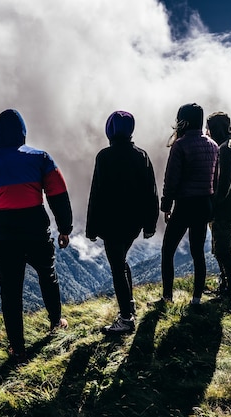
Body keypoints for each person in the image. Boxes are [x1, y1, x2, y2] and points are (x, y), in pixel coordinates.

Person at [0, 109, 73, 363]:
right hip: (36, 230)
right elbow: (58, 194)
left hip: (3, 236)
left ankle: (18, 348)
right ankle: (55, 322)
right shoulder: (41, 158)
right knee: (48, 276)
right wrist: (64, 228)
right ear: (23, 132)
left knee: (10, 291)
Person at [86, 111, 159, 334]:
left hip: (111, 224)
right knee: (121, 260)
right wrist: (150, 225)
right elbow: (151, 192)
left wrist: (92, 228)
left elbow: (96, 194)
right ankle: (130, 305)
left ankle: (126, 319)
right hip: (133, 224)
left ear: (110, 130)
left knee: (117, 267)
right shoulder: (142, 155)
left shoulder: (104, 157)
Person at [160, 103, 219, 305]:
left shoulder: (180, 145)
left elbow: (171, 180)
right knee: (198, 253)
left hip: (185, 205)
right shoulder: (213, 145)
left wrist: (166, 206)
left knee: (168, 250)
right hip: (204, 204)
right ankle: (196, 299)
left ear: (183, 121)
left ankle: (167, 297)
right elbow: (215, 181)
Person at [207, 111, 231, 303]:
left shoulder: (225, 149)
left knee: (223, 250)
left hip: (223, 209)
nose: (207, 132)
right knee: (221, 249)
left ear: (216, 129)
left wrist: (212, 206)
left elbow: (224, 184)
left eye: (209, 128)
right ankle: (226, 288)